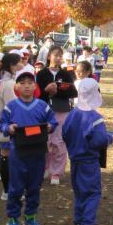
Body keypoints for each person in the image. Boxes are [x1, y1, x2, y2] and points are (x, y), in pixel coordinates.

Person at [0, 66, 57, 225]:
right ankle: (13, 219)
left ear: (35, 87)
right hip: (18, 153)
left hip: (38, 153)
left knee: (34, 187)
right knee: (15, 188)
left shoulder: (42, 106)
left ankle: (30, 217)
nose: (26, 86)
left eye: (30, 83)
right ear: (16, 88)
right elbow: (2, 124)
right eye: (22, 83)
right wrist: (9, 128)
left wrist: (51, 126)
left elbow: (53, 122)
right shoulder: (11, 106)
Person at [62, 77, 113, 225]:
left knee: (79, 192)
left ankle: (79, 223)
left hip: (75, 160)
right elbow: (98, 141)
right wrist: (110, 138)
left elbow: (65, 133)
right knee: (92, 193)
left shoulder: (72, 114)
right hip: (89, 161)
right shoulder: (95, 118)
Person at [36, 44, 78, 185]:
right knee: (44, 141)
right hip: (44, 111)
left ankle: (56, 172)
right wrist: (46, 91)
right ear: (49, 57)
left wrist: (59, 89)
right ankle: (45, 167)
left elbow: (73, 92)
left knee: (59, 142)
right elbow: (36, 95)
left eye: (60, 56)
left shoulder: (66, 74)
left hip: (61, 110)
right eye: (56, 55)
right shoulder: (41, 74)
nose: (59, 58)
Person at [0, 53, 24, 200]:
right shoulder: (8, 84)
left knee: (7, 155)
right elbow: (13, 107)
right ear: (12, 65)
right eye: (20, 61)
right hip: (6, 126)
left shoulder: (8, 81)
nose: (22, 63)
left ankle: (9, 189)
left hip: (5, 125)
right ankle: (8, 190)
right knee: (7, 156)